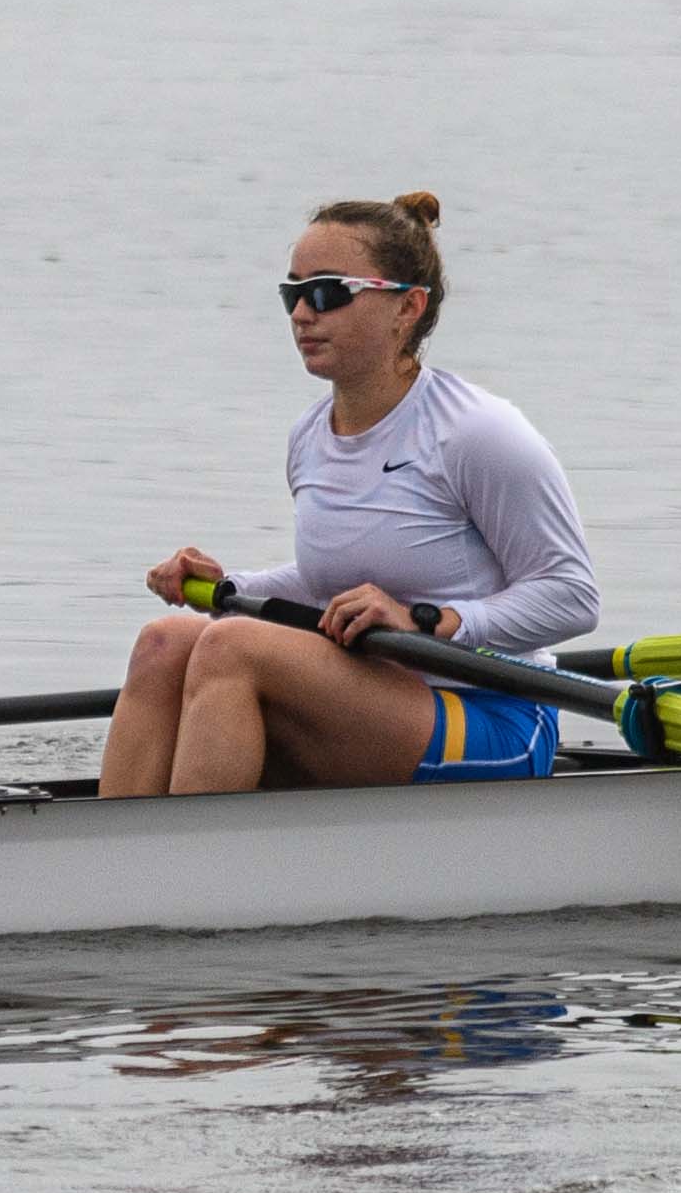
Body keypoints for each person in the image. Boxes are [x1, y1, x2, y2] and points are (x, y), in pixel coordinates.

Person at [115, 191, 603, 796]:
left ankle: (185, 872)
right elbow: (330, 582)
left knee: (233, 649)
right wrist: (225, 587)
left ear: (407, 307)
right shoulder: (307, 437)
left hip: (494, 712)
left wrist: (432, 621)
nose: (302, 314)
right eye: (292, 294)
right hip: (376, 697)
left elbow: (572, 597)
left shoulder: (479, 433)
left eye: (327, 292)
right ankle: (110, 866)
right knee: (165, 643)